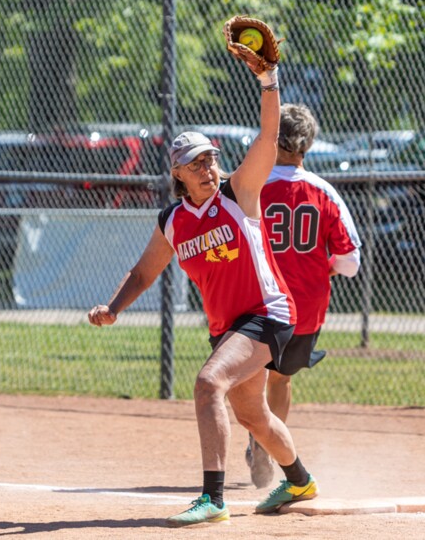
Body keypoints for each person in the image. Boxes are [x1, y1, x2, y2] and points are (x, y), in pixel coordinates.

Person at [88, 66, 319, 526]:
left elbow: (269, 137)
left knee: (209, 383)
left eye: (210, 158)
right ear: (177, 172)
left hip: (267, 313)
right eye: (196, 163)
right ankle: (299, 480)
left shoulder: (238, 192)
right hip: (229, 328)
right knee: (252, 413)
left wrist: (268, 80)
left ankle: (213, 499)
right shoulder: (173, 221)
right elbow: (143, 271)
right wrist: (113, 308)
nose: (207, 167)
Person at [245, 103, 362, 489]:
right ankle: (265, 448)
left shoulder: (250, 184)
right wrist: (325, 265)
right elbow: (350, 262)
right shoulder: (324, 192)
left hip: (255, 299)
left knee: (249, 378)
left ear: (272, 139)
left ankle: (258, 440)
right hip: (304, 309)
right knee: (280, 380)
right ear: (308, 144)